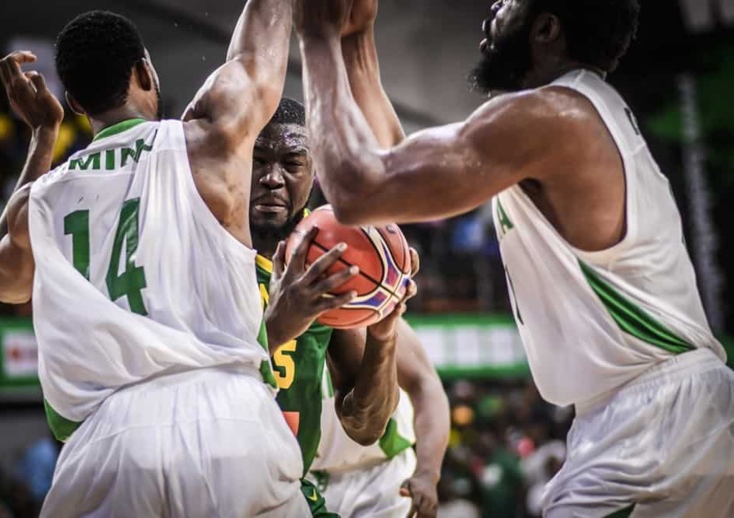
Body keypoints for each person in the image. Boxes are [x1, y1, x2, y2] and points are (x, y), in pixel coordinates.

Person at [293, 0, 734, 515]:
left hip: (656, 422)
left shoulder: (552, 117)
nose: (493, 9)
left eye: (509, 1)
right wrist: (356, 37)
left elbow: (356, 190)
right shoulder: (575, 113)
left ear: (546, 25)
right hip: (665, 413)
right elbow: (392, 160)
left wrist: (316, 38)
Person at [0, 4, 315, 516]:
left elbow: (1, 280)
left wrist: (41, 135)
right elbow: (258, 55)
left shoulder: (41, 200)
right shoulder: (206, 144)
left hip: (105, 448)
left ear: (72, 101)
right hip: (230, 418)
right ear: (145, 69)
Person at [251, 98, 449, 517]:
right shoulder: (209, 246)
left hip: (377, 478)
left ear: (314, 171)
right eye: (257, 160)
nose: (271, 178)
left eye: (291, 163)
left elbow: (374, 421)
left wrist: (382, 335)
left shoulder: (337, 271)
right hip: (266, 472)